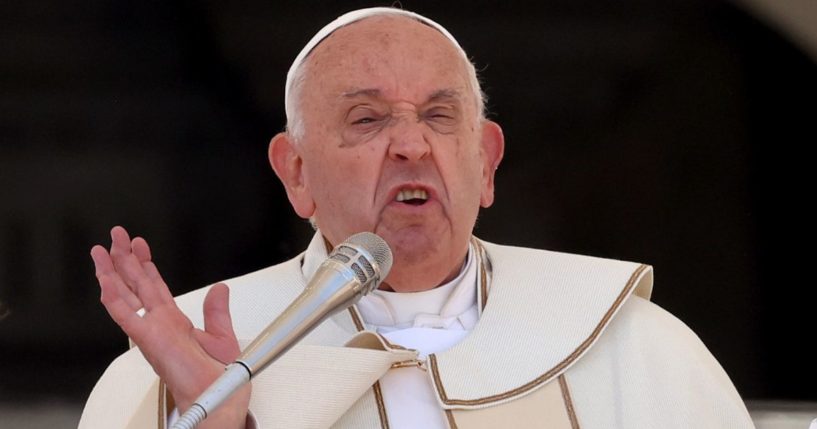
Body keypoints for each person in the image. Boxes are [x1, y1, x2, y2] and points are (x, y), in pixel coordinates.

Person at [80, 7, 755, 429]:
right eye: (367, 119)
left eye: (438, 116)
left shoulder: (633, 346)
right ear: (296, 172)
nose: (410, 145)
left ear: (485, 162)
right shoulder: (192, 362)